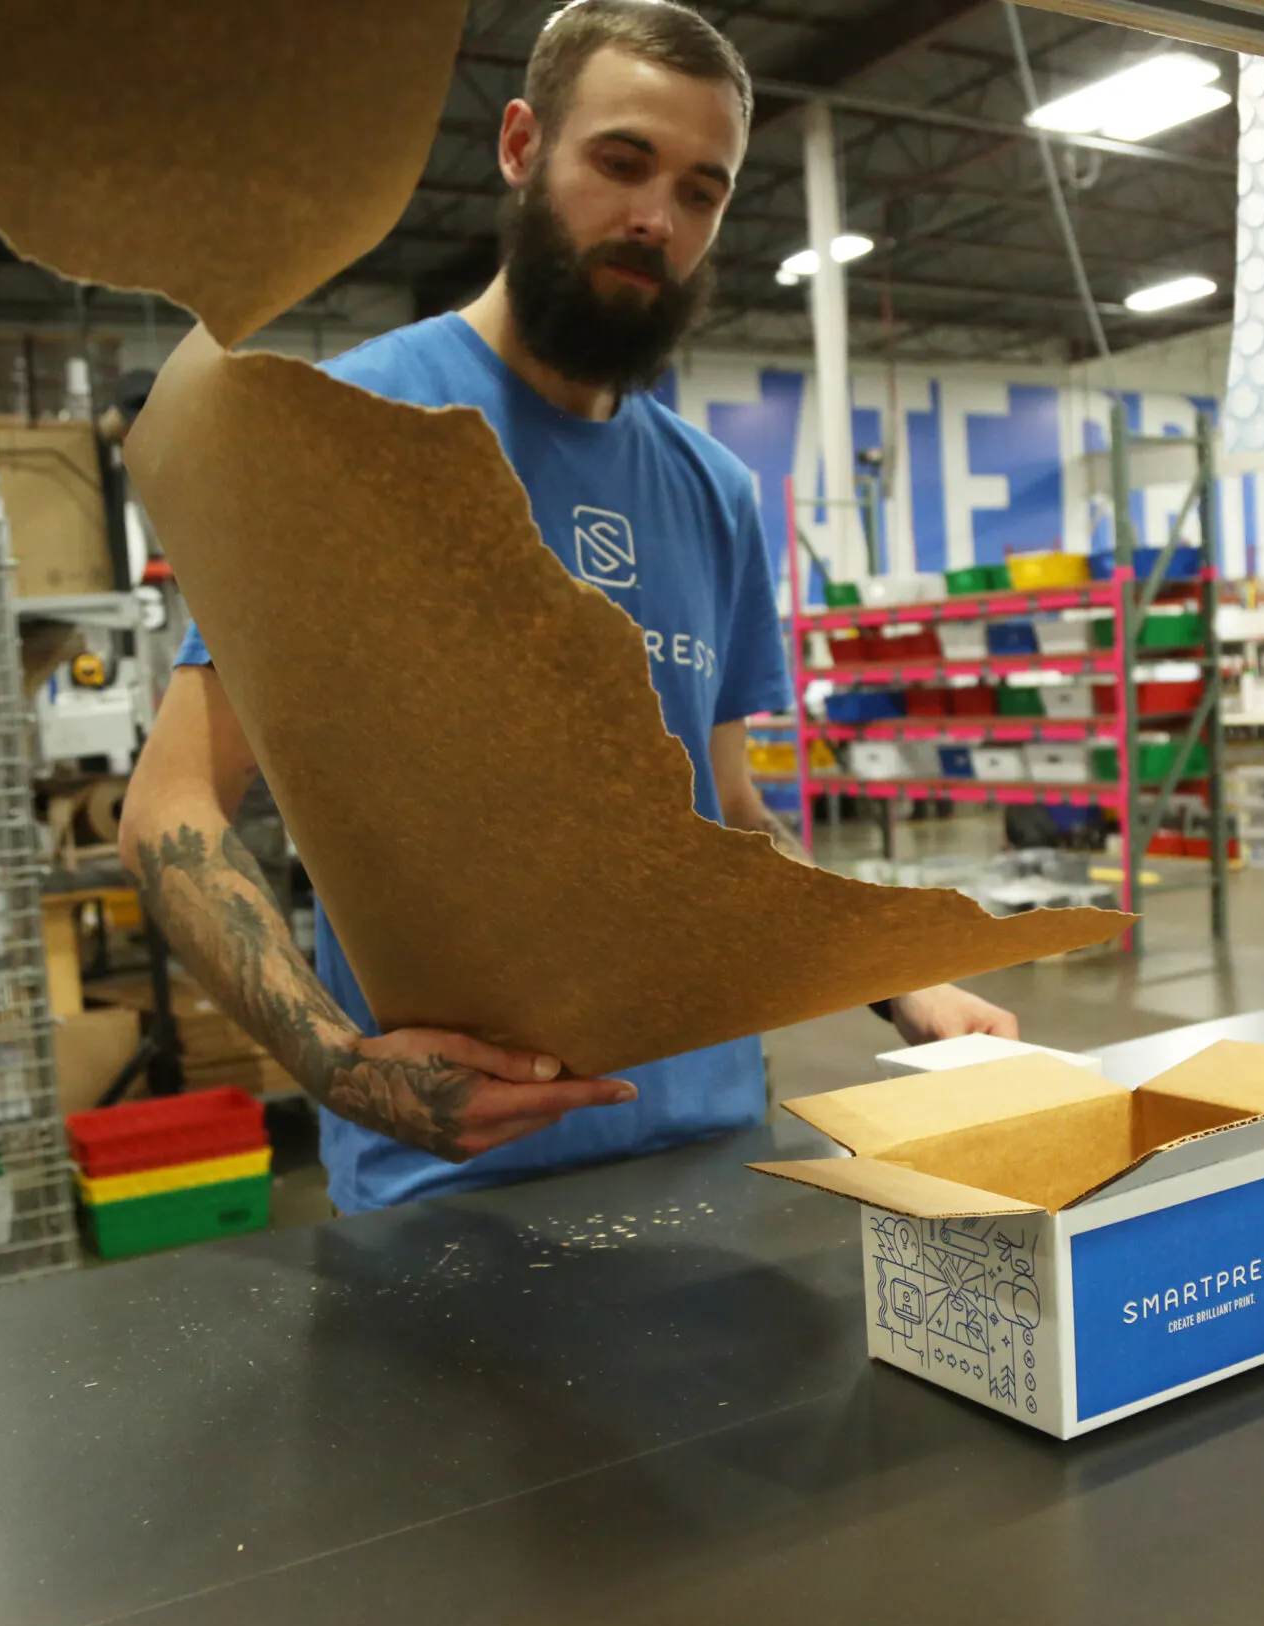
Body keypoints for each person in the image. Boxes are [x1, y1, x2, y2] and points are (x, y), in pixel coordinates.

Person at [121, 0, 1020, 1214]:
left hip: (716, 1154)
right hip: (455, 1185)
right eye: (621, 161)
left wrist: (905, 978)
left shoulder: (713, 490)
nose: (657, 219)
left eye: (702, 192)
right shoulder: (348, 433)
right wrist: (342, 1071)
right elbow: (170, 805)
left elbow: (729, 822)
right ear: (519, 146)